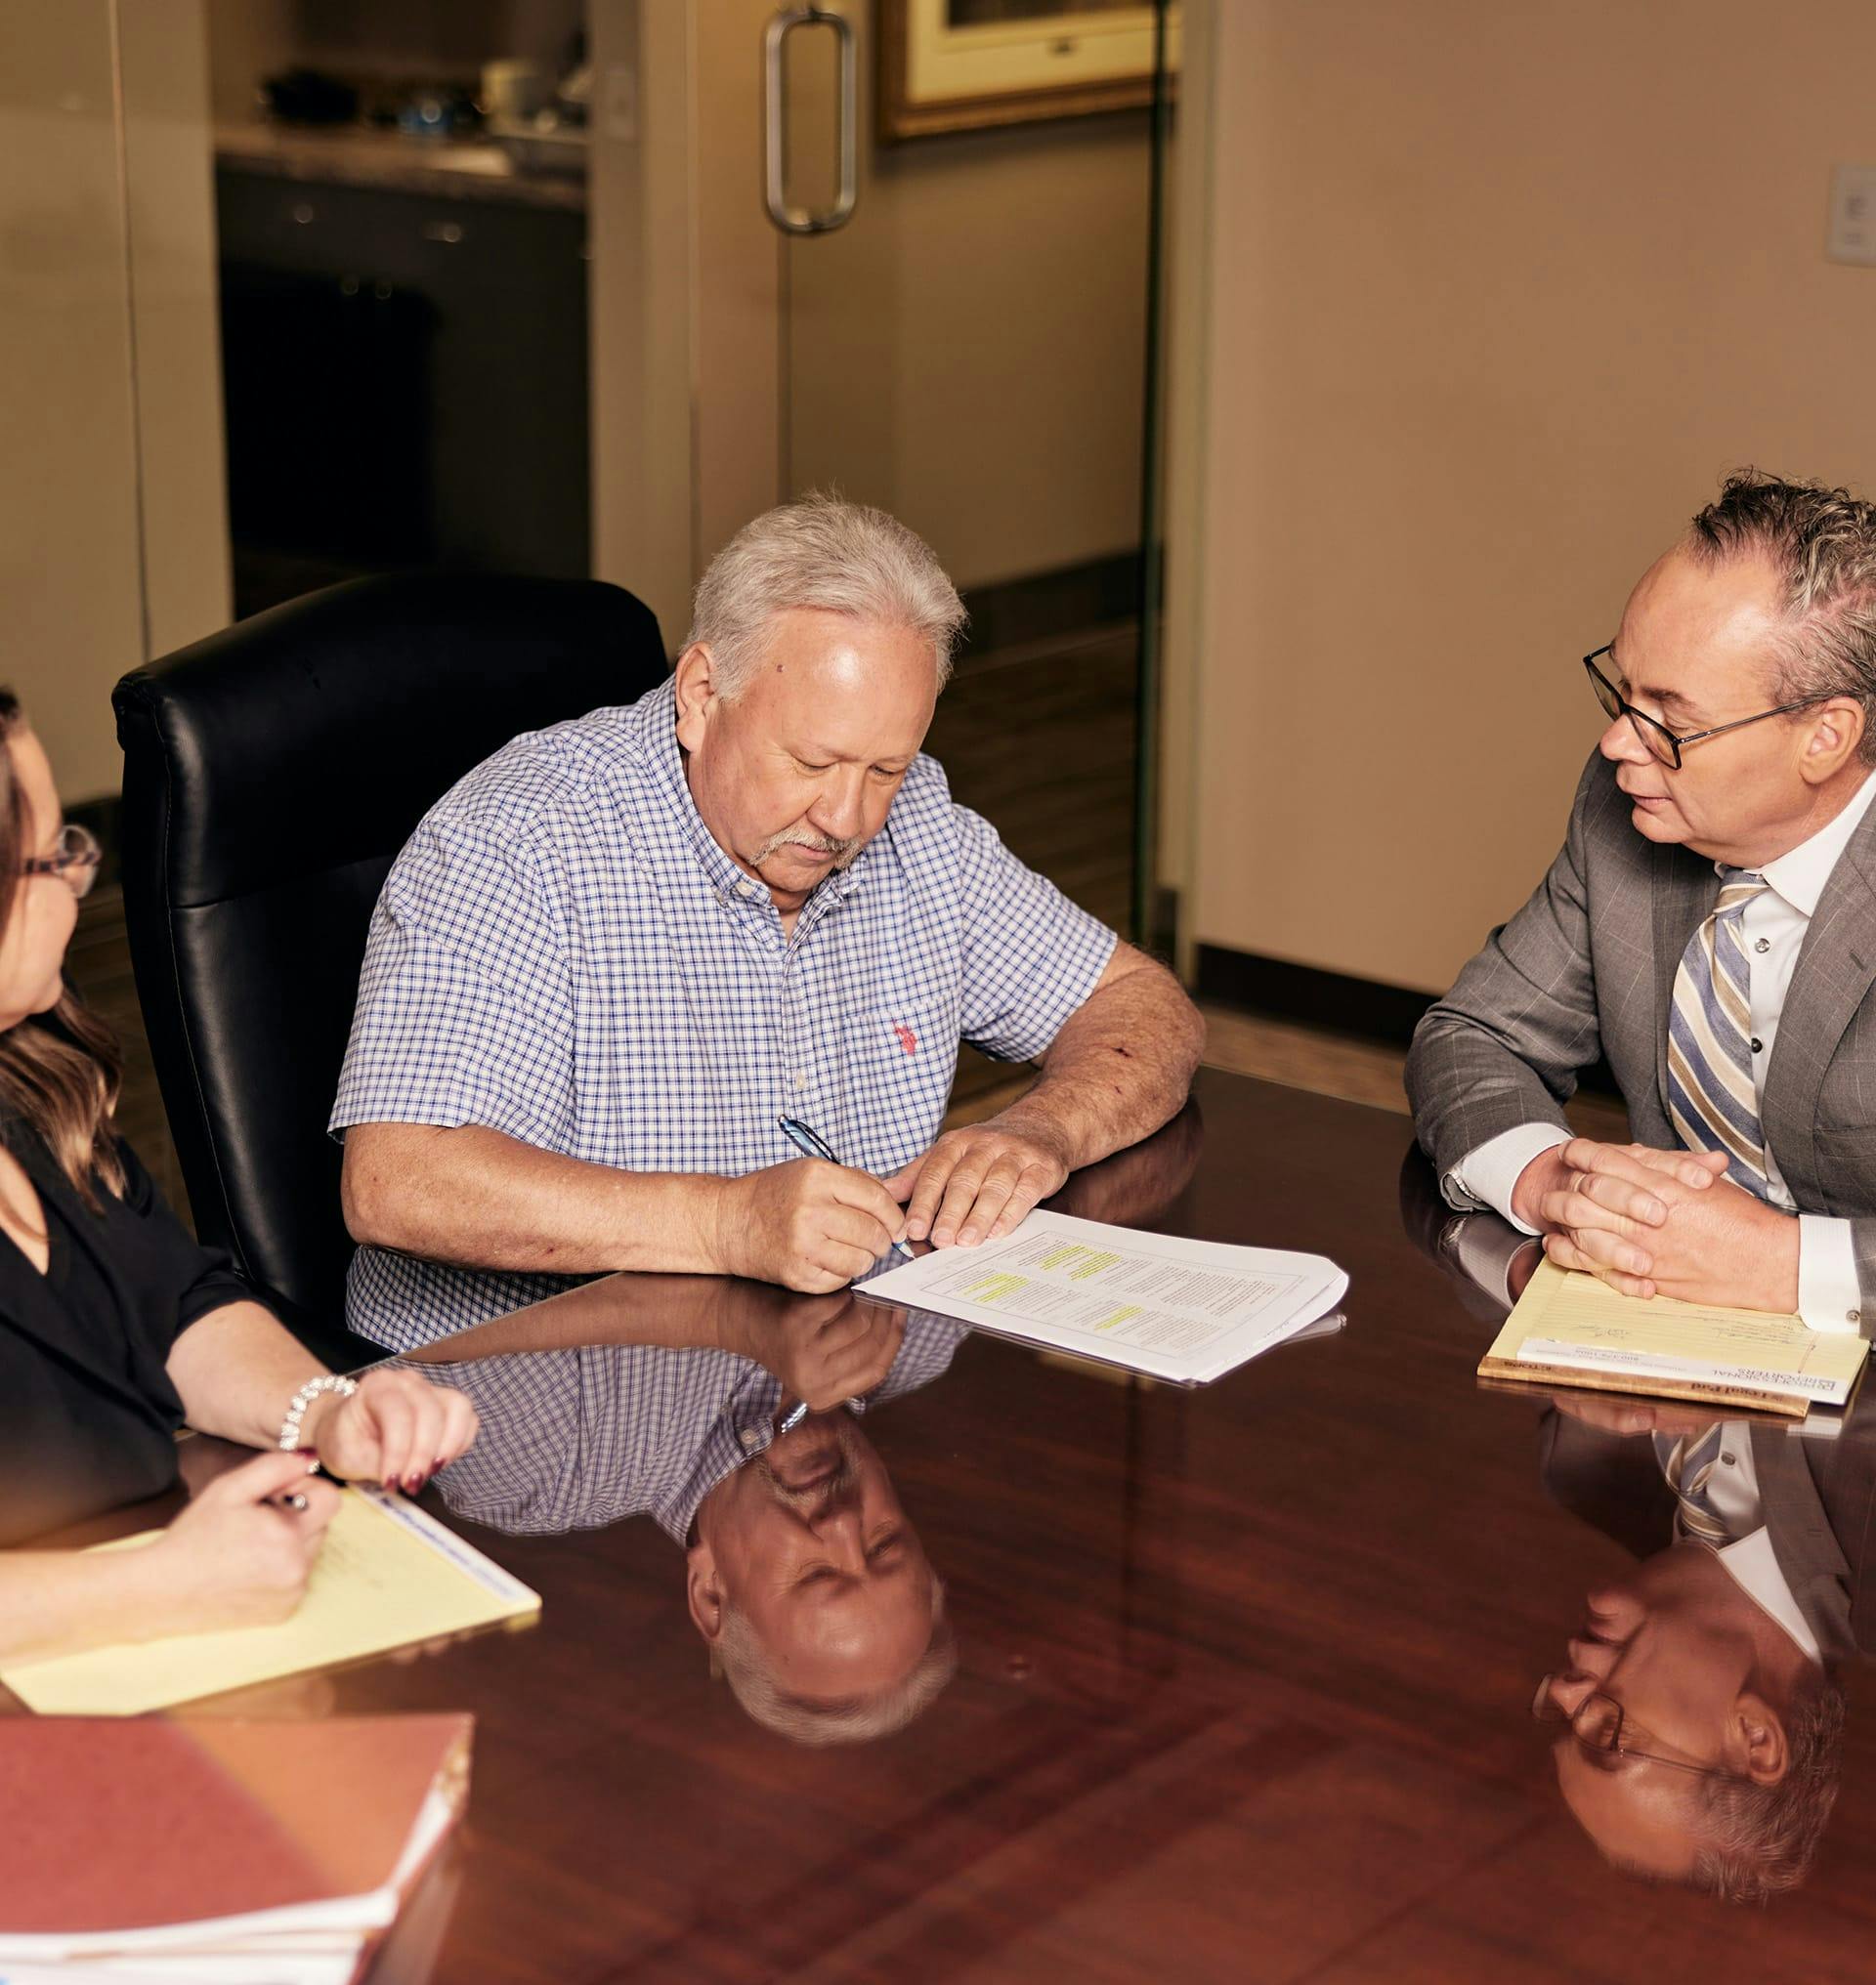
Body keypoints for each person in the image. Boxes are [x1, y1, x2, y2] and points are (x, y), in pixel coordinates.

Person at [334, 494, 1205, 1348]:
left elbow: (1142, 1004)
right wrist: (725, 1224)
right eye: (811, 761)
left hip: (830, 1361)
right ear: (702, 695)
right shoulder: (519, 842)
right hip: (527, 1411)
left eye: (885, 768)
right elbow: (399, 1180)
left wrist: (1038, 1132)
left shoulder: (918, 826)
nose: (846, 819)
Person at [0, 693, 480, 1663]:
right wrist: (158, 1586)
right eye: (49, 860)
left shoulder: (33, 1064)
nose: (78, 883)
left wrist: (326, 1409)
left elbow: (170, 1299)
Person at [1407, 473, 1876, 1327]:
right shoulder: (1628, 803)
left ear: (1826, 735)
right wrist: (1556, 1181)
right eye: (1624, 689)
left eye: (1671, 715)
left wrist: (1783, 1265)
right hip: (1649, 1365)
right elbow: (1475, 1035)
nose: (1618, 740)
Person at [408, 1274, 966, 1744]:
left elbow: (418, 1291)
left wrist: (728, 1313)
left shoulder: (551, 1469)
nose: (844, 1523)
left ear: (710, 1592)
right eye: (885, 1544)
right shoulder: (927, 1326)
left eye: (819, 1574)